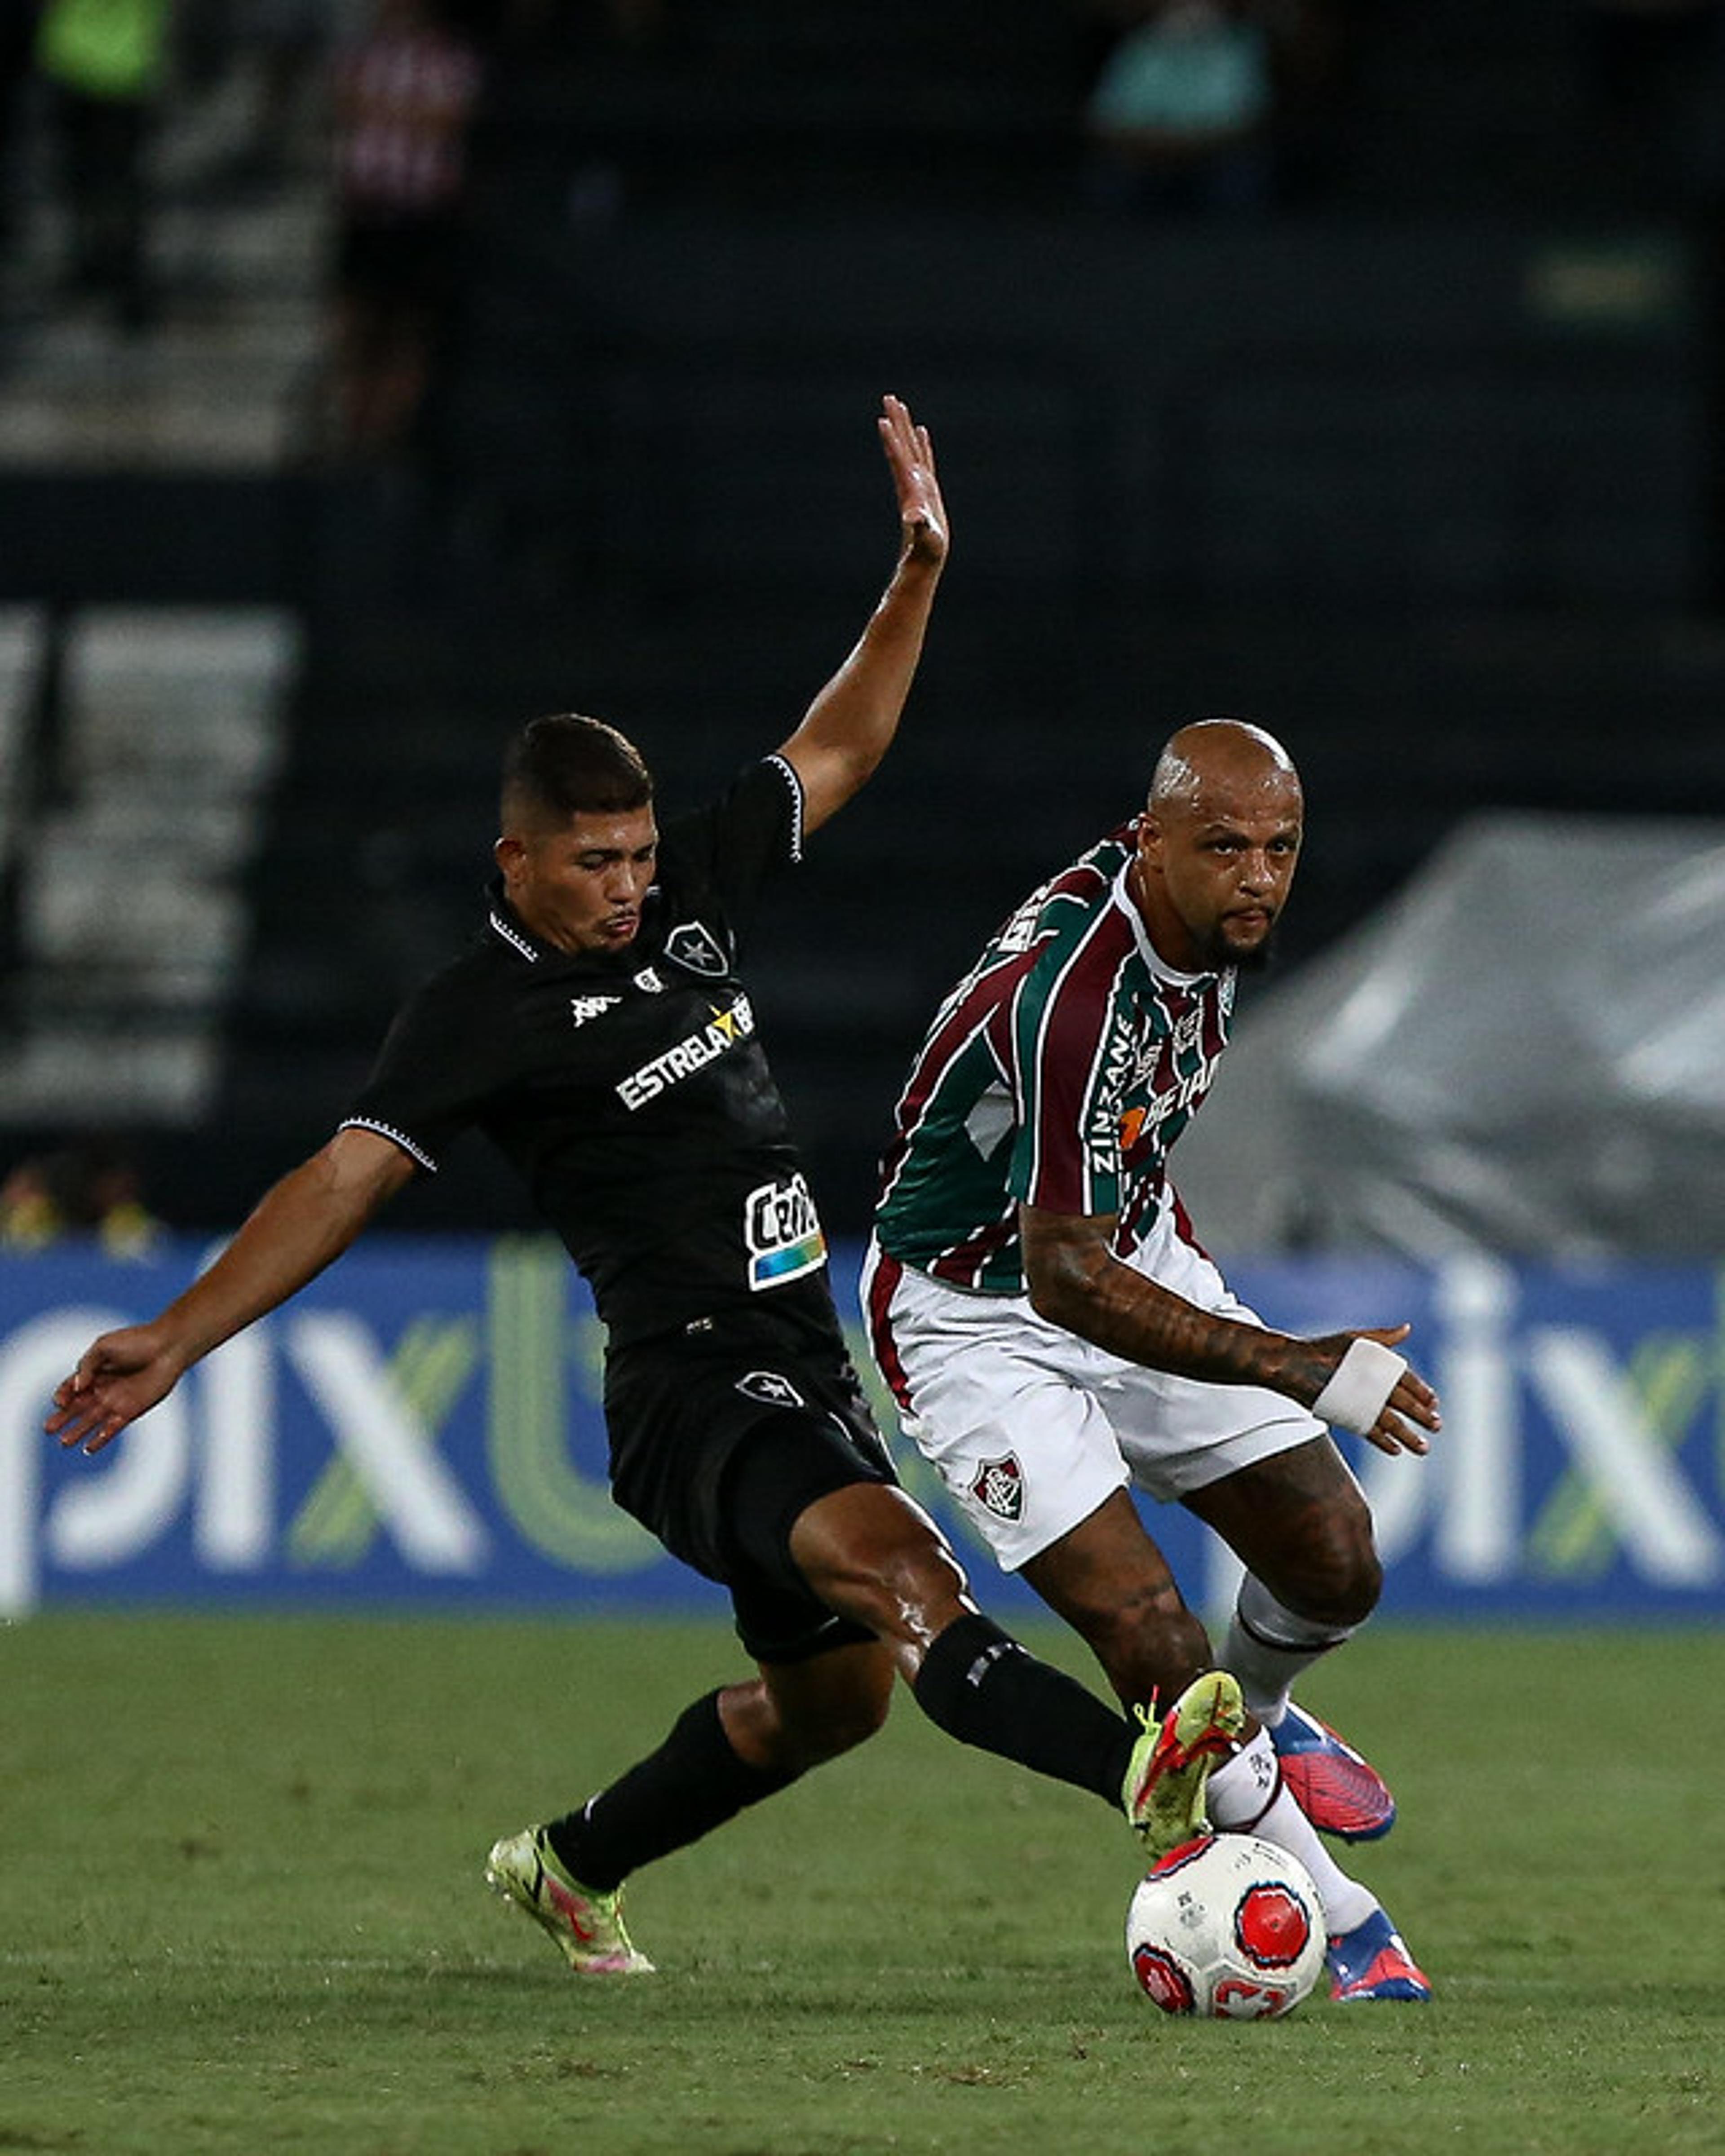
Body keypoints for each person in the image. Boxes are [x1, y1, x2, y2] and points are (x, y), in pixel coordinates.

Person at [48, 397, 1250, 1979]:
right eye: (592, 864)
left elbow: (838, 747)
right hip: (688, 1391)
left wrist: (920, 572)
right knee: (906, 1574)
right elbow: (337, 1180)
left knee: (834, 1703)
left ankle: (567, 1862)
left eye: (634, 855)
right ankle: (1150, 1791)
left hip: (800, 1360)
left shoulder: (685, 896)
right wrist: (182, 1335)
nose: (627, 886)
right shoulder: (474, 1016)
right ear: (515, 863)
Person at [863, 716, 1440, 2003]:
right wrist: (1291, 1362)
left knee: (1335, 1559)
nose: (1257, 875)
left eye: (1280, 847)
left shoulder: (1208, 934)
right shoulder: (1078, 997)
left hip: (1131, 1251)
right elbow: (1059, 1277)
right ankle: (1340, 1918)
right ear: (1151, 842)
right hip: (974, 1312)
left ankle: (1265, 1727)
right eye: (1224, 845)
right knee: (1149, 1635)